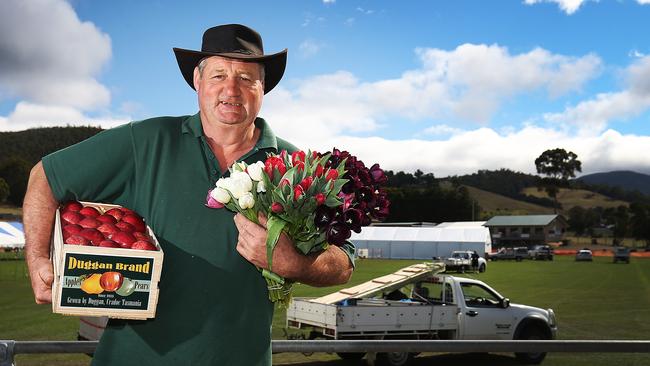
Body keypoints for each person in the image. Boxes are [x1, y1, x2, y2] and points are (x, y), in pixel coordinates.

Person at [23, 24, 355, 366]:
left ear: (263, 86)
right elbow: (45, 177)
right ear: (197, 81)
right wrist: (37, 260)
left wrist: (294, 263)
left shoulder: (295, 169)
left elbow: (343, 263)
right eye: (218, 75)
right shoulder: (149, 140)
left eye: (245, 78)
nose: (231, 89)